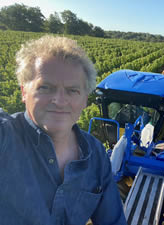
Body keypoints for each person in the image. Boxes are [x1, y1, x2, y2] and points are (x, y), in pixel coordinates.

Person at [0, 35, 127, 225]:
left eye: (72, 90)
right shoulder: (5, 138)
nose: (59, 101)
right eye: (45, 87)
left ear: (85, 100)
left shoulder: (96, 155)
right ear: (24, 92)